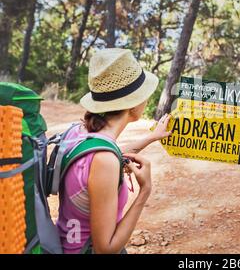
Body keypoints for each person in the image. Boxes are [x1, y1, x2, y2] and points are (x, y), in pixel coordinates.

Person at [56, 48, 171, 254]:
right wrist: (145, 191)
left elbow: (103, 154)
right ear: (133, 105)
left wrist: (153, 136)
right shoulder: (105, 161)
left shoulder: (78, 132)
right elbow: (105, 249)